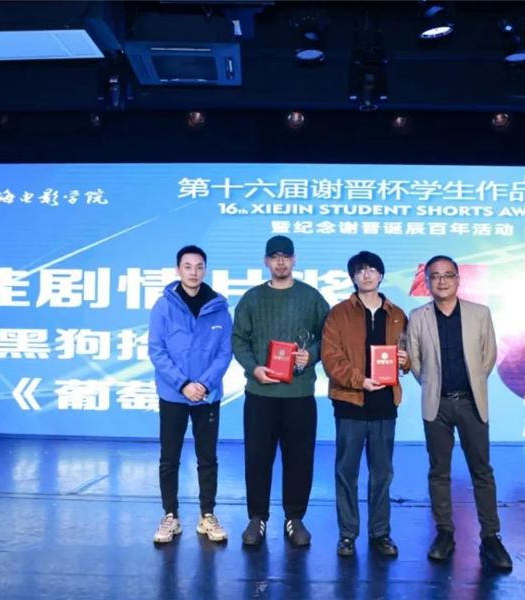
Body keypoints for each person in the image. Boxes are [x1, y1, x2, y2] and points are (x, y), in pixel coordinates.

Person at [407, 255, 513, 571]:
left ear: (458, 279)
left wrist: (472, 384)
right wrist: (433, 386)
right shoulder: (418, 316)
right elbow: (415, 362)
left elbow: (488, 356)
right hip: (436, 404)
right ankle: (444, 533)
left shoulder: (480, 314)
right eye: (435, 276)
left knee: (482, 471)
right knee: (439, 471)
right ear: (427, 282)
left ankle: (491, 537)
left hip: (470, 402)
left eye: (448, 275)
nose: (441, 281)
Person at [232, 235, 330, 547]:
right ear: (266, 261)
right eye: (274, 257)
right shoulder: (252, 298)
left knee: (299, 458)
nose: (280, 262)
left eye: (286, 256)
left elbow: (329, 336)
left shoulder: (311, 297)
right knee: (257, 457)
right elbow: (238, 339)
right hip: (260, 393)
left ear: (294, 259)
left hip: (299, 394)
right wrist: (253, 368)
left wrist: (310, 355)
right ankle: (257, 518)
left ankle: (295, 518)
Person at [321, 251, 410, 558]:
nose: (367, 275)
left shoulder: (397, 314)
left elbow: (410, 355)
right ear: (353, 277)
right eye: (360, 270)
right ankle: (347, 534)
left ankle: (380, 533)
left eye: (372, 269)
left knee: (382, 473)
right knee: (346, 472)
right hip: (350, 403)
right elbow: (331, 358)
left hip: (385, 404)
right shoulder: (338, 314)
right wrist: (360, 380)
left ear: (381, 275)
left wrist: (406, 360)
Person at [148, 245, 233, 544]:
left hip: (207, 396)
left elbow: (225, 353)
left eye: (199, 267)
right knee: (169, 458)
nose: (193, 272)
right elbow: (157, 351)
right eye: (187, 266)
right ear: (178, 270)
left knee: (207, 457)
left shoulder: (219, 308)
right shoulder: (163, 307)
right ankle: (170, 515)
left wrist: (204, 385)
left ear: (205, 270)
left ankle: (207, 514)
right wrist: (183, 384)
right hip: (173, 394)